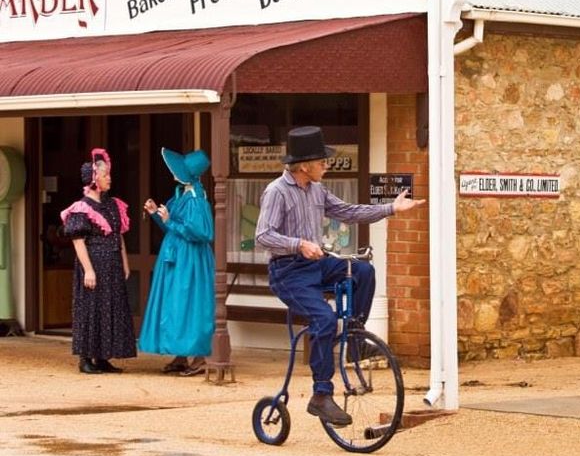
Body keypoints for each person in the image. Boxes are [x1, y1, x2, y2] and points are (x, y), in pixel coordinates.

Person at [255, 126, 425, 427]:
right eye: (322, 161)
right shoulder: (276, 192)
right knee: (324, 319)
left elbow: (348, 212)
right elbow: (264, 235)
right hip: (287, 273)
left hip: (315, 264)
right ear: (304, 165)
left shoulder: (317, 190)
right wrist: (299, 244)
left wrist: (392, 209)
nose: (327, 165)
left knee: (363, 271)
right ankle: (321, 395)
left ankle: (354, 337)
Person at [138, 148, 215, 377]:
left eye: (177, 170)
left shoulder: (196, 199)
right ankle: (182, 355)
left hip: (190, 261)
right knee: (176, 305)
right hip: (177, 257)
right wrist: (156, 214)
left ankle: (199, 357)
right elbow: (171, 226)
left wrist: (170, 221)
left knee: (190, 305)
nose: (173, 173)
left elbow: (202, 233)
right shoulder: (182, 194)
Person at [60, 148, 137, 374]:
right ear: (94, 180)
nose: (109, 178)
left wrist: (124, 262)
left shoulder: (113, 204)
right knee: (91, 309)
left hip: (112, 264)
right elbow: (78, 241)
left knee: (111, 309)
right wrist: (88, 271)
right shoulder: (82, 208)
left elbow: (118, 234)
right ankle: (85, 359)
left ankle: (103, 357)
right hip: (94, 263)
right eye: (105, 175)